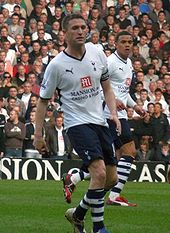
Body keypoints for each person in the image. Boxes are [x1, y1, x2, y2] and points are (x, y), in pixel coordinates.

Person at [33, 13, 121, 233]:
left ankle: (78, 214)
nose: (81, 31)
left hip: (100, 122)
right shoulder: (56, 65)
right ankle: (98, 227)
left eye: (83, 27)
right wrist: (37, 135)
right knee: (99, 173)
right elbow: (43, 102)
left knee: (111, 179)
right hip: (77, 124)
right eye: (75, 28)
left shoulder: (97, 52)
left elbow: (107, 87)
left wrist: (114, 114)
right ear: (65, 33)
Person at [62, 31, 145, 207]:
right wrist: (113, 100)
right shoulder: (111, 62)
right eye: (123, 42)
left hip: (119, 114)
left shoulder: (129, 63)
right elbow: (99, 86)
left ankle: (75, 178)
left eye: (130, 42)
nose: (127, 45)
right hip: (108, 114)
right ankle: (112, 194)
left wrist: (134, 105)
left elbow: (123, 91)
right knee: (129, 152)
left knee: (110, 158)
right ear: (116, 44)